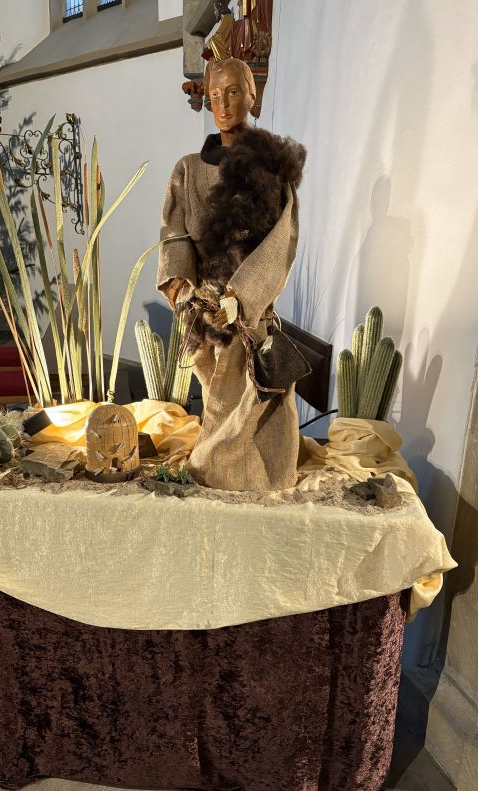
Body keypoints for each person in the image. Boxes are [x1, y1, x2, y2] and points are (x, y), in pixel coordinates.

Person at [157, 58, 306, 491]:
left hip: (250, 321)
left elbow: (282, 239)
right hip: (205, 319)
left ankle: (259, 479)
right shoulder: (188, 170)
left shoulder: (272, 168)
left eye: (234, 92)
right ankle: (218, 474)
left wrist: (240, 298)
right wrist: (182, 285)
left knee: (259, 412)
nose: (223, 104)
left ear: (252, 94)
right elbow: (174, 233)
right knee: (217, 404)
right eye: (215, 94)